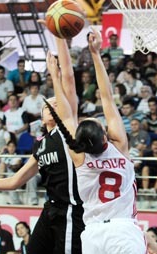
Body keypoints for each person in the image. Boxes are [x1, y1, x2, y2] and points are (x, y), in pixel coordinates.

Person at [46, 27, 146, 253]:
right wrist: (95, 54)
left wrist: (55, 75)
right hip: (123, 231)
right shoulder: (119, 145)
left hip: (92, 235)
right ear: (105, 135)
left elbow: (66, 114)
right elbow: (107, 97)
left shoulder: (79, 156)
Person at [0, 36, 84, 254]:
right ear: (41, 116)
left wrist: (59, 41)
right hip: (50, 209)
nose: (54, 102)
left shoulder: (66, 131)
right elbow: (15, 181)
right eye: (49, 103)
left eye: (57, 103)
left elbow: (68, 80)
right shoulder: (40, 144)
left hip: (72, 211)